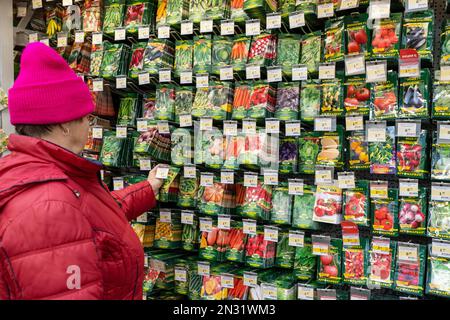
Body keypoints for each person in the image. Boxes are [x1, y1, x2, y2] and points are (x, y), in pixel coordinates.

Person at [0, 43, 163, 300]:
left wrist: (147, 189)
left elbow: (90, 220)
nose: (90, 125)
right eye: (87, 117)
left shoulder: (41, 175)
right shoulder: (49, 205)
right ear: (65, 124)